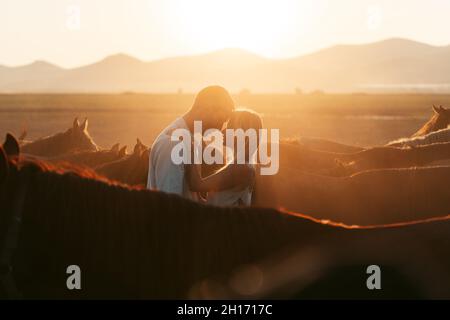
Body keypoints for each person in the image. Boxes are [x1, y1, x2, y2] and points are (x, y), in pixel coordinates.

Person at [147, 86, 253, 201]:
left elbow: (192, 194)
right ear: (205, 109)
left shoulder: (191, 140)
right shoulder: (173, 144)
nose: (221, 127)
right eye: (221, 119)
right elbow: (171, 205)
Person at [206, 109, 262, 206]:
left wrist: (192, 147)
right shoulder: (240, 165)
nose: (222, 131)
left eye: (229, 127)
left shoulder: (240, 168)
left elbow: (196, 184)